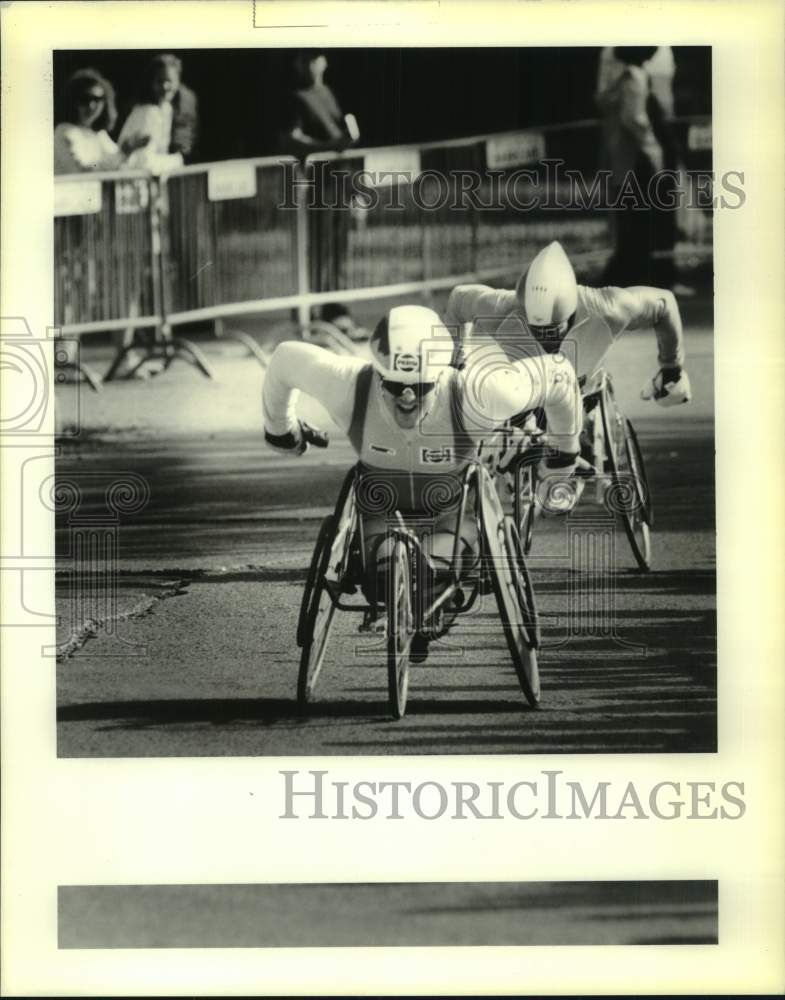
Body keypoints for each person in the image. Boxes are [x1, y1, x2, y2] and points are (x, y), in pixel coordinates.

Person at [262, 304, 583, 659]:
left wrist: (564, 457)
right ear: (379, 374)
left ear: (441, 376)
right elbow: (285, 359)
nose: (408, 397)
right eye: (396, 386)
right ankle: (401, 601)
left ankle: (429, 609)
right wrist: (282, 431)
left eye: (419, 387)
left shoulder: (479, 394)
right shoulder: (351, 385)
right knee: (383, 574)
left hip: (450, 513)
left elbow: (558, 373)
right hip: (378, 509)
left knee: (435, 574)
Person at [445, 241, 691, 473]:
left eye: (553, 330)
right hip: (528, 395)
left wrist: (671, 367)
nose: (545, 339)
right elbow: (457, 300)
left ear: (573, 312)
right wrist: (457, 357)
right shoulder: (502, 308)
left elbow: (664, 303)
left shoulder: (608, 307)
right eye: (535, 329)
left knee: (567, 457)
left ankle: (587, 432)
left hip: (581, 392)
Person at [278, 50, 365, 338]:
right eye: (304, 59)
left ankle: (336, 311)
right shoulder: (295, 97)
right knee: (320, 250)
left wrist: (355, 190)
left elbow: (341, 138)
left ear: (324, 62)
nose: (310, 65)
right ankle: (317, 313)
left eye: (315, 58)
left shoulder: (327, 93)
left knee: (339, 250)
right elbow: (291, 138)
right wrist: (326, 146)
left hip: (341, 180)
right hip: (318, 183)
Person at [54, 68, 148, 175]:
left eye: (97, 99)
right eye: (84, 99)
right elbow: (84, 170)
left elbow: (119, 163)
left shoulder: (98, 134)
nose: (91, 105)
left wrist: (129, 150)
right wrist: (122, 154)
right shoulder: (64, 132)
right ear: (71, 101)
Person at [117, 53, 199, 173]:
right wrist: (178, 161)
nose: (165, 86)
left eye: (169, 81)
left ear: (178, 82)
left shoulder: (168, 110)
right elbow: (144, 163)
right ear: (151, 83)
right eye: (160, 81)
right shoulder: (147, 112)